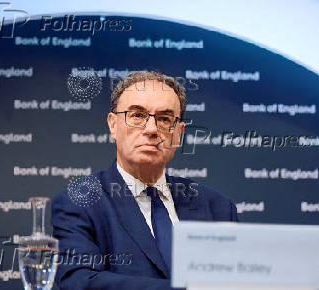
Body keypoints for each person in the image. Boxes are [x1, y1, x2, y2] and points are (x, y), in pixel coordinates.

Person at [52, 71, 238, 290]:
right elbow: (80, 282)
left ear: (178, 134)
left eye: (164, 119)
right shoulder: (81, 202)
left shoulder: (218, 208)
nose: (151, 129)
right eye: (137, 116)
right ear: (113, 125)